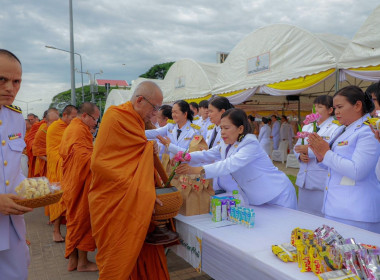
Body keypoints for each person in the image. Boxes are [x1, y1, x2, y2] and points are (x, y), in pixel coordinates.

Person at [89, 81, 169, 279]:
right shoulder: (115, 117)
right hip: (112, 201)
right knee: (117, 262)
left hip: (135, 203)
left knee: (144, 255)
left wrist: (148, 149)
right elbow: (101, 163)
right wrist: (143, 194)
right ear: (140, 100)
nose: (156, 113)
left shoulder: (136, 120)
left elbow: (133, 154)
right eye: (155, 107)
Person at [176, 108, 297, 209]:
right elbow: (207, 154)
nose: (222, 132)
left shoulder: (250, 143)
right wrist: (184, 157)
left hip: (279, 194)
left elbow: (228, 165)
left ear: (240, 129)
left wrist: (194, 170)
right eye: (221, 128)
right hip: (258, 198)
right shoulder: (226, 143)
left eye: (226, 128)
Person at [308, 85, 380, 233]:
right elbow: (334, 164)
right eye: (335, 108)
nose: (336, 112)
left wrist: (326, 153)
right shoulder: (343, 129)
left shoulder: (368, 130)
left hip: (356, 212)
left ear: (357, 105)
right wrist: (320, 156)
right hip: (336, 207)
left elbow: (357, 170)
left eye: (340, 107)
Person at [0, 49, 33, 280]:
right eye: (2, 79)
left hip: (11, 226)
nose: (10, 88)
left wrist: (36, 190)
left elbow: (13, 170)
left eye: (16, 81)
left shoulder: (16, 118)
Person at [60, 102, 99, 272]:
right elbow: (83, 158)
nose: (95, 123)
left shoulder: (76, 128)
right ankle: (82, 263)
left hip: (72, 182)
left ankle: (74, 261)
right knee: (83, 221)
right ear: (84, 116)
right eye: (94, 119)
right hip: (79, 183)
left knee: (74, 221)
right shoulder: (77, 129)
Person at [294, 96, 340, 216]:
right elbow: (297, 147)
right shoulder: (307, 127)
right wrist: (300, 155)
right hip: (304, 176)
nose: (316, 110)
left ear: (330, 110)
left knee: (319, 215)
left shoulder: (335, 128)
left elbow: (330, 149)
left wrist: (308, 151)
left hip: (319, 179)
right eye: (315, 106)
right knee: (303, 213)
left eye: (320, 107)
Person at [47, 104, 78, 242]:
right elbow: (55, 149)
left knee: (70, 198)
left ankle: (72, 231)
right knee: (60, 198)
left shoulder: (69, 128)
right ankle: (56, 231)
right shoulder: (55, 127)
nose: (74, 119)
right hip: (57, 165)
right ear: (64, 115)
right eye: (72, 117)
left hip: (67, 163)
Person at [32, 111, 59, 177]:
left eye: (57, 122)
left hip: (59, 164)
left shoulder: (60, 131)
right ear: (47, 122)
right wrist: (51, 161)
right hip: (47, 165)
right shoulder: (41, 133)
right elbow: (37, 152)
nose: (56, 124)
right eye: (53, 122)